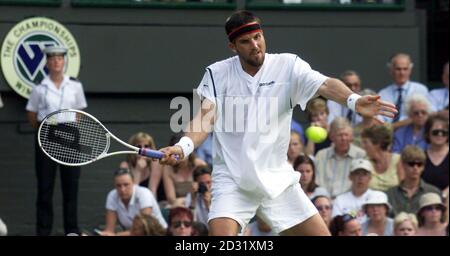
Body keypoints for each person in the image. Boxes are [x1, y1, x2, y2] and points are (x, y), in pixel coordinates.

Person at [159, 11, 397, 236]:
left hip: (278, 181)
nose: (255, 45)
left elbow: (325, 85)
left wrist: (353, 101)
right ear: (232, 46)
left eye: (258, 37)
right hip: (233, 181)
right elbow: (204, 119)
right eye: (245, 41)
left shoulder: (288, 65)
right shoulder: (216, 73)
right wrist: (183, 147)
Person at [25, 45, 87, 236]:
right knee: (45, 187)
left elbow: (80, 112)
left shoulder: (75, 85)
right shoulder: (39, 88)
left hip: (69, 134)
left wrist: (66, 129)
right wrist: (47, 130)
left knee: (71, 186)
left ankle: (72, 231)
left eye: (59, 58)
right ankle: (43, 232)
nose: (56, 62)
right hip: (47, 134)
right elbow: (32, 114)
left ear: (64, 61)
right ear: (47, 63)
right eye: (52, 59)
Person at [99, 169, 167, 236]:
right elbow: (109, 230)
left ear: (133, 183)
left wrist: (116, 235)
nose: (122, 189)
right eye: (118, 186)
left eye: (126, 185)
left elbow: (143, 229)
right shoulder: (112, 195)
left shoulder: (144, 193)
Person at [315, 117, 366, 198]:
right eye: (339, 135)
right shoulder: (321, 155)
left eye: (346, 135)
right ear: (332, 137)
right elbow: (317, 183)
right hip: (324, 201)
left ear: (351, 136)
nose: (343, 138)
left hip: (350, 202)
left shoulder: (361, 155)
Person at [386, 145, 441, 217]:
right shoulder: (390, 194)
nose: (415, 168)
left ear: (423, 167)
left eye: (419, 164)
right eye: (411, 164)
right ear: (403, 165)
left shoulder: (433, 192)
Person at [378, 53, 429, 128]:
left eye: (405, 69)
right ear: (391, 70)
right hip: (386, 136)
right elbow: (378, 119)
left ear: (410, 70)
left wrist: (392, 127)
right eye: (398, 69)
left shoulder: (420, 90)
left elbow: (421, 117)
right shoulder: (383, 94)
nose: (402, 73)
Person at [332, 159, 377, 223]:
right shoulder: (340, 199)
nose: (361, 177)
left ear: (370, 177)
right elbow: (337, 223)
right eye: (357, 173)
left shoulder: (376, 197)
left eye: (364, 174)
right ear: (350, 177)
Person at [361, 125, 404, 191]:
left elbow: (403, 189)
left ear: (377, 144)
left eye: (365, 142)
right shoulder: (365, 162)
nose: (363, 146)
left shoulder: (398, 160)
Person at [119, 132, 162, 197]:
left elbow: (152, 193)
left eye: (146, 146)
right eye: (139, 146)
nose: (143, 149)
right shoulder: (125, 166)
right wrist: (138, 171)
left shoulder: (155, 163)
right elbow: (130, 196)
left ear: (151, 148)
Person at [422, 114, 449, 191]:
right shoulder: (421, 156)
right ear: (428, 133)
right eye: (435, 132)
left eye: (443, 132)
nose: (440, 134)